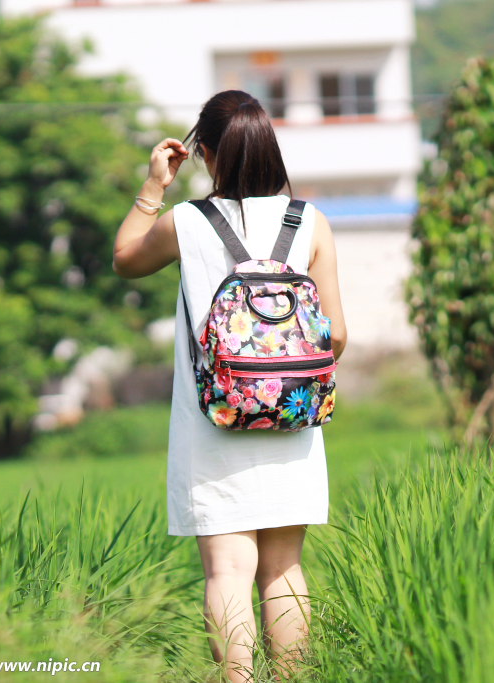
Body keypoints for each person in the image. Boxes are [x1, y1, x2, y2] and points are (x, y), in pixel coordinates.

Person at [111, 90, 347, 682]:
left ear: (209, 153)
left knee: (228, 570)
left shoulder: (186, 222)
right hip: (294, 417)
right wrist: (282, 372)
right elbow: (336, 335)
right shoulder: (308, 221)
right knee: (284, 567)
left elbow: (124, 259)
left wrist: (153, 186)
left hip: (213, 421)